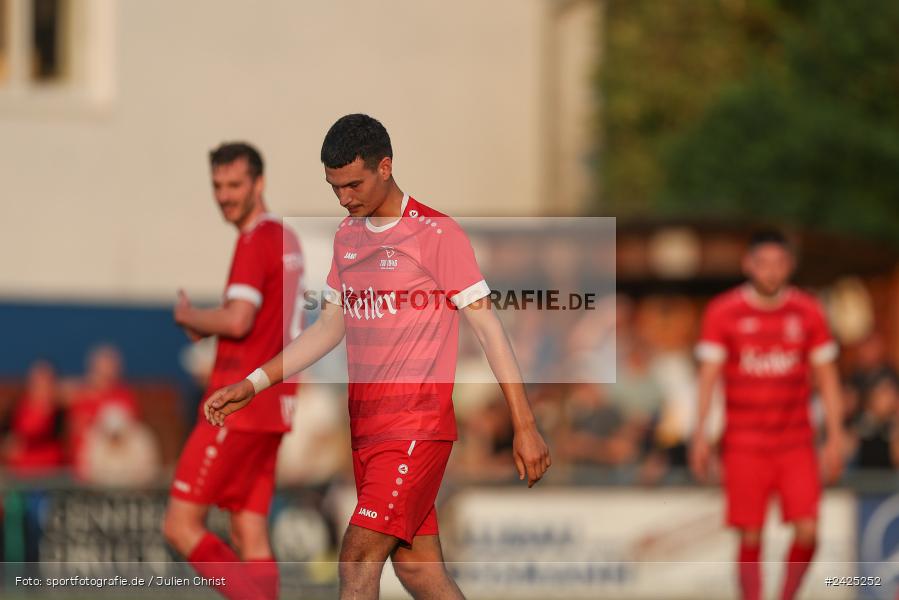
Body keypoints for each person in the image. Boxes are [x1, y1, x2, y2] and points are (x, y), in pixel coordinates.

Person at [205, 114, 550, 600]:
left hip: (416, 428)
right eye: (334, 188)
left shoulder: (435, 234)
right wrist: (255, 381)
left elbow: (489, 329)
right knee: (419, 572)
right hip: (367, 431)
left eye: (352, 184)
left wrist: (525, 423)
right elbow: (327, 328)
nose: (344, 198)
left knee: (356, 557)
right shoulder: (349, 238)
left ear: (385, 167)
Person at [162, 142, 304, 600]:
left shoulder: (254, 239)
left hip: (235, 406)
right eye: (217, 186)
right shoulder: (289, 239)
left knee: (181, 526)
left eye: (234, 185)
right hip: (274, 407)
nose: (224, 196)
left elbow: (239, 318)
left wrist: (193, 319)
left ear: (258, 183)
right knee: (249, 531)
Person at [689, 230, 845, 600]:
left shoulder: (808, 311)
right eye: (764, 263)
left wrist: (836, 436)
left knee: (808, 531)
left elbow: (828, 377)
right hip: (744, 441)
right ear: (749, 265)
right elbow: (708, 378)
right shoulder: (723, 312)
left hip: (795, 441)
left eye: (779, 263)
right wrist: (700, 436)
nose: (771, 272)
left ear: (790, 266)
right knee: (751, 534)